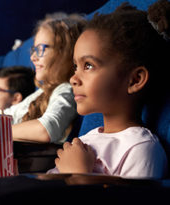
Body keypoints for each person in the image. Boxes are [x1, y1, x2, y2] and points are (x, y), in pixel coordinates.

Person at [53, 1, 169, 178]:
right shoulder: (86, 139)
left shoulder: (140, 148)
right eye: (76, 66)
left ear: (135, 80)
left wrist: (78, 174)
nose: (73, 78)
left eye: (89, 66)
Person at [4, 13, 86, 143]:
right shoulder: (41, 93)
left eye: (40, 49)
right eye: (33, 50)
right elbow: (7, 115)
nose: (33, 58)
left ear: (65, 52)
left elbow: (46, 130)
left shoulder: (66, 90)